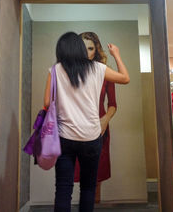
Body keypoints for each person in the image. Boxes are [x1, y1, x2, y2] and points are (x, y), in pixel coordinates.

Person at [44, 31, 129, 212]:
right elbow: (125, 78)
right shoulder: (98, 68)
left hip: (64, 137)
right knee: (89, 188)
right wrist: (117, 55)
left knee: (63, 189)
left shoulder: (56, 70)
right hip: (91, 137)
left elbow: (46, 103)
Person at [73, 32, 116, 203]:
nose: (85, 52)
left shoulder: (105, 72)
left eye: (90, 48)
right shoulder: (69, 71)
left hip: (99, 128)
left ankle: (95, 206)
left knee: (96, 178)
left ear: (95, 51)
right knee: (73, 176)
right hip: (74, 129)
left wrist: (105, 120)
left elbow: (113, 104)